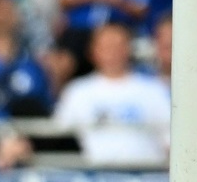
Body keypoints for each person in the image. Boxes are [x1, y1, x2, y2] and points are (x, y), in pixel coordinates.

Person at [51, 20, 170, 167]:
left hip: (147, 177)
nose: (112, 53)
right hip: (93, 177)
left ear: (129, 48)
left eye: (118, 46)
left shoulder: (154, 89)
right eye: (106, 47)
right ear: (92, 51)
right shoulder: (77, 91)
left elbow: (170, 139)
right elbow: (60, 135)